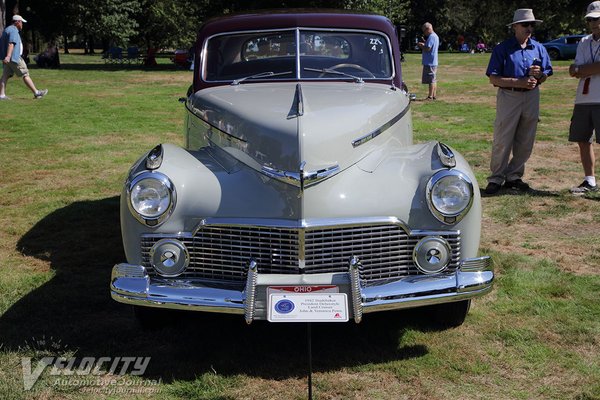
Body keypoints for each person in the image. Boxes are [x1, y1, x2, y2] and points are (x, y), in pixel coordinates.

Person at [483, 9, 553, 195]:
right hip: (509, 96)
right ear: (514, 27)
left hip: (531, 96)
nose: (529, 28)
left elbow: (546, 74)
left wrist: (540, 76)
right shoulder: (503, 48)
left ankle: (514, 176)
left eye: (532, 25)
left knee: (526, 139)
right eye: (525, 24)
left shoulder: (539, 48)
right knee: (503, 138)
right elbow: (494, 79)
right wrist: (519, 82)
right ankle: (496, 178)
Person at [567, 1, 600, 194]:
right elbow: (574, 69)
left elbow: (579, 69)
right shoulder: (584, 41)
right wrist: (582, 69)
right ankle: (590, 181)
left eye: (597, 19)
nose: (594, 23)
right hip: (583, 99)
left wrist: (581, 70)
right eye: (590, 19)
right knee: (583, 139)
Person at [0, 15, 48, 100]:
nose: (22, 24)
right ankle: (36, 93)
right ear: (18, 22)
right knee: (25, 74)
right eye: (21, 22)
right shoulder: (14, 30)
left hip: (8, 59)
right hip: (14, 57)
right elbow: (11, 44)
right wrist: (8, 56)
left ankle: (2, 95)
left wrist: (6, 57)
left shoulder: (7, 29)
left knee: (5, 75)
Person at [417, 22, 439, 100]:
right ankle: (434, 95)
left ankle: (430, 96)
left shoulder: (431, 37)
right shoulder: (435, 36)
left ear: (428, 29)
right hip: (433, 61)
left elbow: (428, 48)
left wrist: (421, 46)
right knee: (433, 79)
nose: (424, 33)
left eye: (424, 31)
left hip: (430, 61)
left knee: (431, 80)